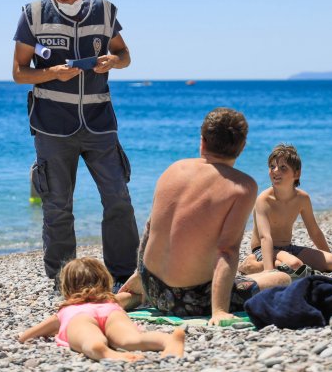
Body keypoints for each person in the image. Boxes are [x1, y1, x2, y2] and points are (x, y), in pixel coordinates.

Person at [12, 0, 139, 289]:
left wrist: (115, 61)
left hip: (100, 124)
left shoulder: (106, 10)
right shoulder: (33, 14)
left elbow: (125, 55)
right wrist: (52, 73)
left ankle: (125, 275)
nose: (70, 2)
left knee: (118, 198)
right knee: (57, 206)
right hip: (52, 127)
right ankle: (62, 279)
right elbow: (19, 72)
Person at [120, 108, 291, 325]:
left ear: (202, 141)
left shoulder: (175, 168)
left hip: (151, 283)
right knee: (280, 278)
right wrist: (219, 310)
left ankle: (130, 295)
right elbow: (227, 249)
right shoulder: (242, 186)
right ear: (242, 146)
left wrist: (139, 275)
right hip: (191, 300)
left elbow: (152, 228)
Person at [18, 257, 184, 361]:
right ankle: (168, 340)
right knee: (132, 339)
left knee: (88, 338)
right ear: (106, 281)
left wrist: (24, 336)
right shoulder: (111, 301)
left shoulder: (65, 311)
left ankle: (100, 349)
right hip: (111, 313)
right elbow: (130, 298)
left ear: (66, 288)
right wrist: (139, 296)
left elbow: (27, 336)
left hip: (78, 317)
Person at [246, 144, 332, 274]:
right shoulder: (264, 200)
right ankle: (250, 265)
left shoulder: (302, 198)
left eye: (283, 167)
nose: (275, 170)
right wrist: (268, 272)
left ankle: (276, 265)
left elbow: (314, 232)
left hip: (288, 248)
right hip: (263, 249)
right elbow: (265, 237)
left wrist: (328, 255)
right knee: (295, 265)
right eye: (272, 166)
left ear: (296, 173)